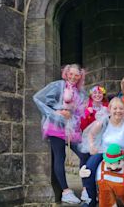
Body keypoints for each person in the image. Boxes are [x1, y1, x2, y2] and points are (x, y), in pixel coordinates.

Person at [33, 64, 89, 204]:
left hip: (72, 129)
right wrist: (55, 112)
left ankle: (86, 189)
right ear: (66, 73)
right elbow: (38, 98)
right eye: (71, 74)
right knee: (60, 156)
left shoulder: (80, 92)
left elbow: (80, 112)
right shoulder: (58, 85)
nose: (73, 77)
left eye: (77, 75)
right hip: (56, 126)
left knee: (84, 153)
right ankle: (65, 191)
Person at [79, 97, 124, 207]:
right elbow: (90, 134)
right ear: (110, 109)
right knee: (88, 170)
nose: (118, 111)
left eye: (121, 108)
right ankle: (90, 199)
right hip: (105, 152)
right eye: (115, 108)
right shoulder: (104, 122)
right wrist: (92, 146)